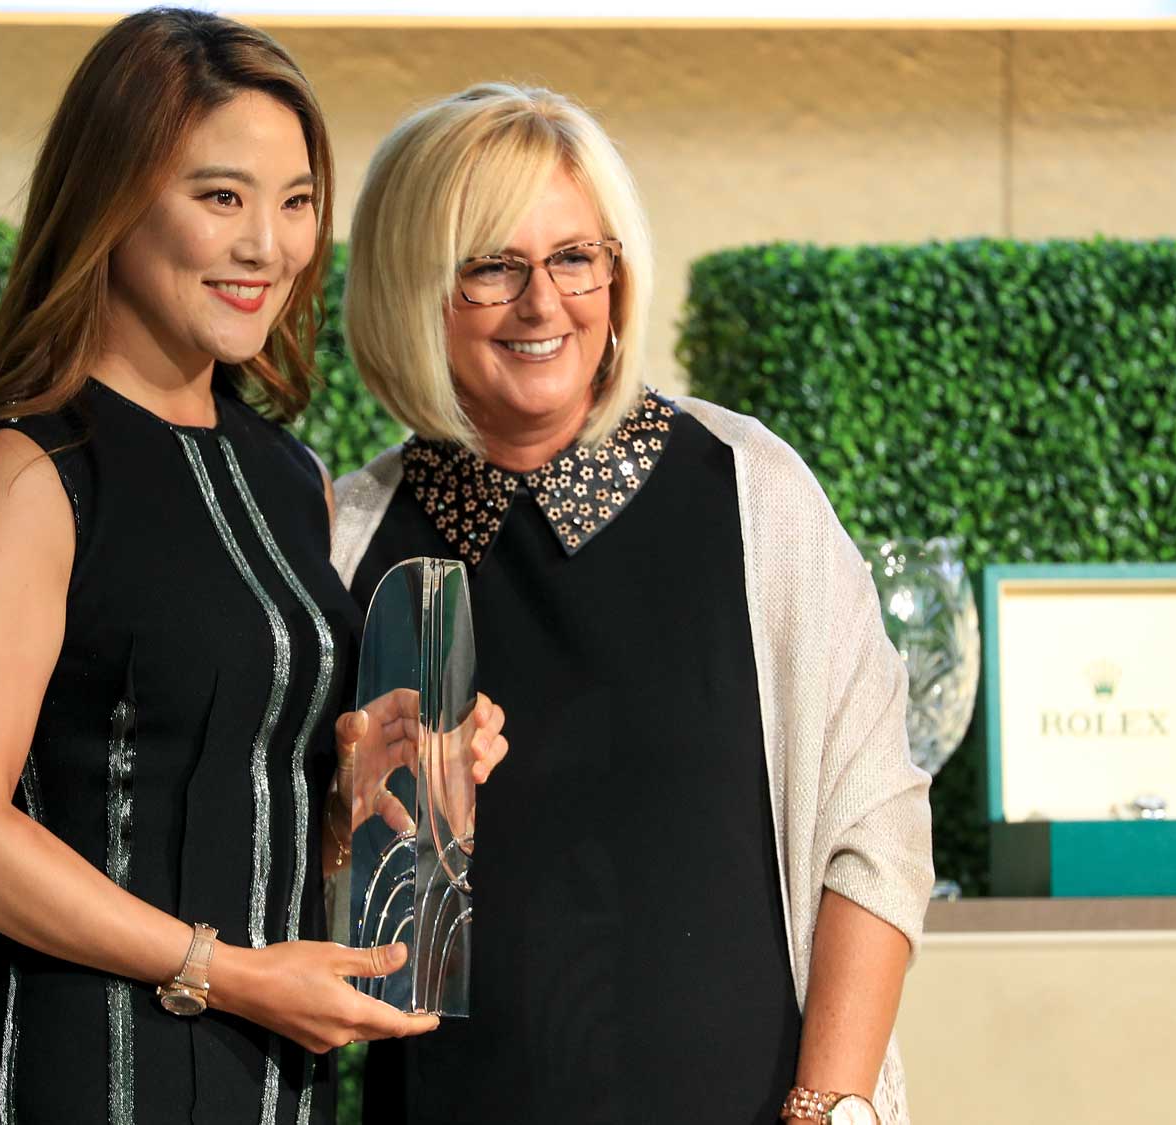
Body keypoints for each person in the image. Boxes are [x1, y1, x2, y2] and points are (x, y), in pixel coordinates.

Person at [0, 12, 504, 1125]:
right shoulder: (26, 474)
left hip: (271, 1075)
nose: (266, 246)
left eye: (296, 201)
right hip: (89, 1075)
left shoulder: (287, 474)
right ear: (112, 200)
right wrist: (223, 973)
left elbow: (231, 798)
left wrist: (358, 795)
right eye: (219, 197)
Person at [332, 83, 933, 1125]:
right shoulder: (350, 541)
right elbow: (326, 935)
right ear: (407, 287)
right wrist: (348, 823)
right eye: (488, 265)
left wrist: (830, 1104)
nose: (541, 303)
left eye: (573, 257)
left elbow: (873, 824)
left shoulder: (749, 492)